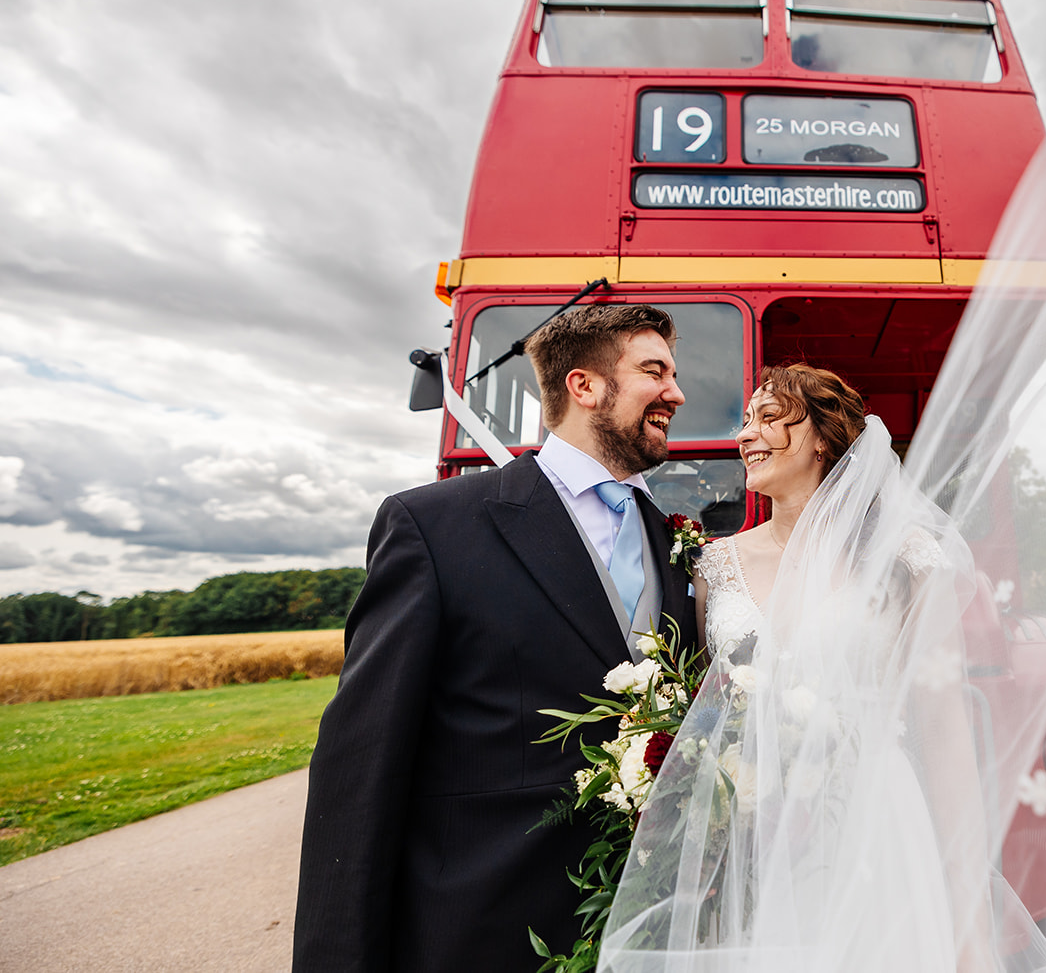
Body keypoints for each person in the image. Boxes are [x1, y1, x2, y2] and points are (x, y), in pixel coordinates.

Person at [294, 303, 698, 973]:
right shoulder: (434, 528)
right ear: (584, 386)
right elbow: (358, 772)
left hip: (646, 931)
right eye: (654, 371)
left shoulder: (677, 545)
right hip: (481, 934)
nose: (676, 393)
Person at [599, 364, 1008, 973]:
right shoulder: (713, 566)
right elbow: (712, 704)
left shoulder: (907, 561)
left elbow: (946, 736)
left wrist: (972, 917)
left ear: (823, 438)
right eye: (745, 420)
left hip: (872, 819)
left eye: (768, 418)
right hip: (747, 832)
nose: (745, 435)